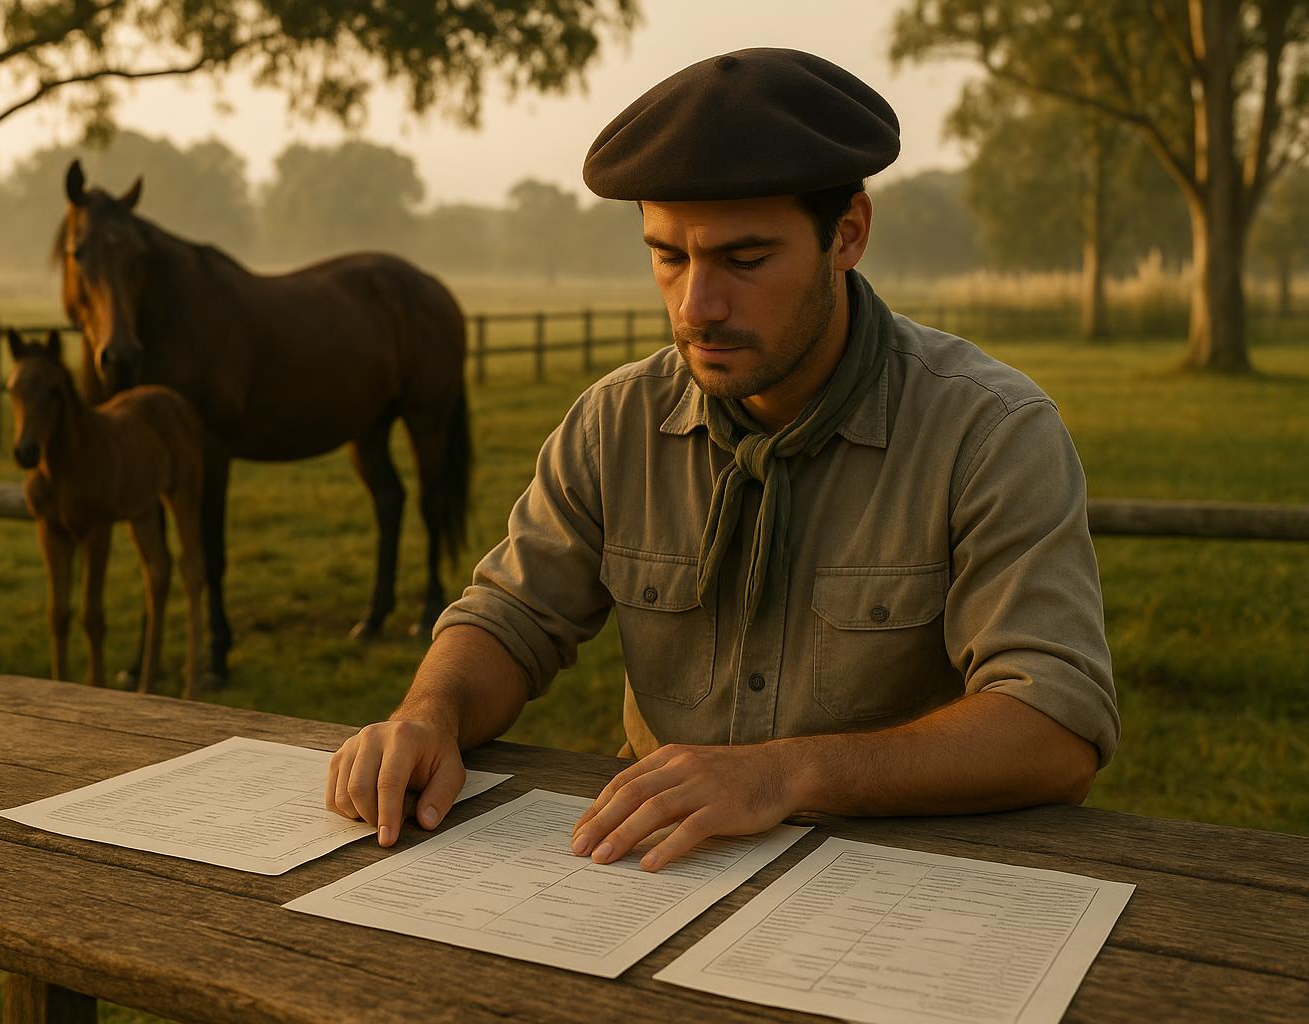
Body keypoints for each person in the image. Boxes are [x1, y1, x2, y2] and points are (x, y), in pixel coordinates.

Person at [325, 48, 1118, 871]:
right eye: (669, 256)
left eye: (745, 260)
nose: (696, 306)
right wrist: (429, 715)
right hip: (656, 873)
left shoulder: (989, 432)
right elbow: (510, 619)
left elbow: (1056, 728)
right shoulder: (614, 423)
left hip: (901, 886)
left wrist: (785, 773)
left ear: (847, 234)